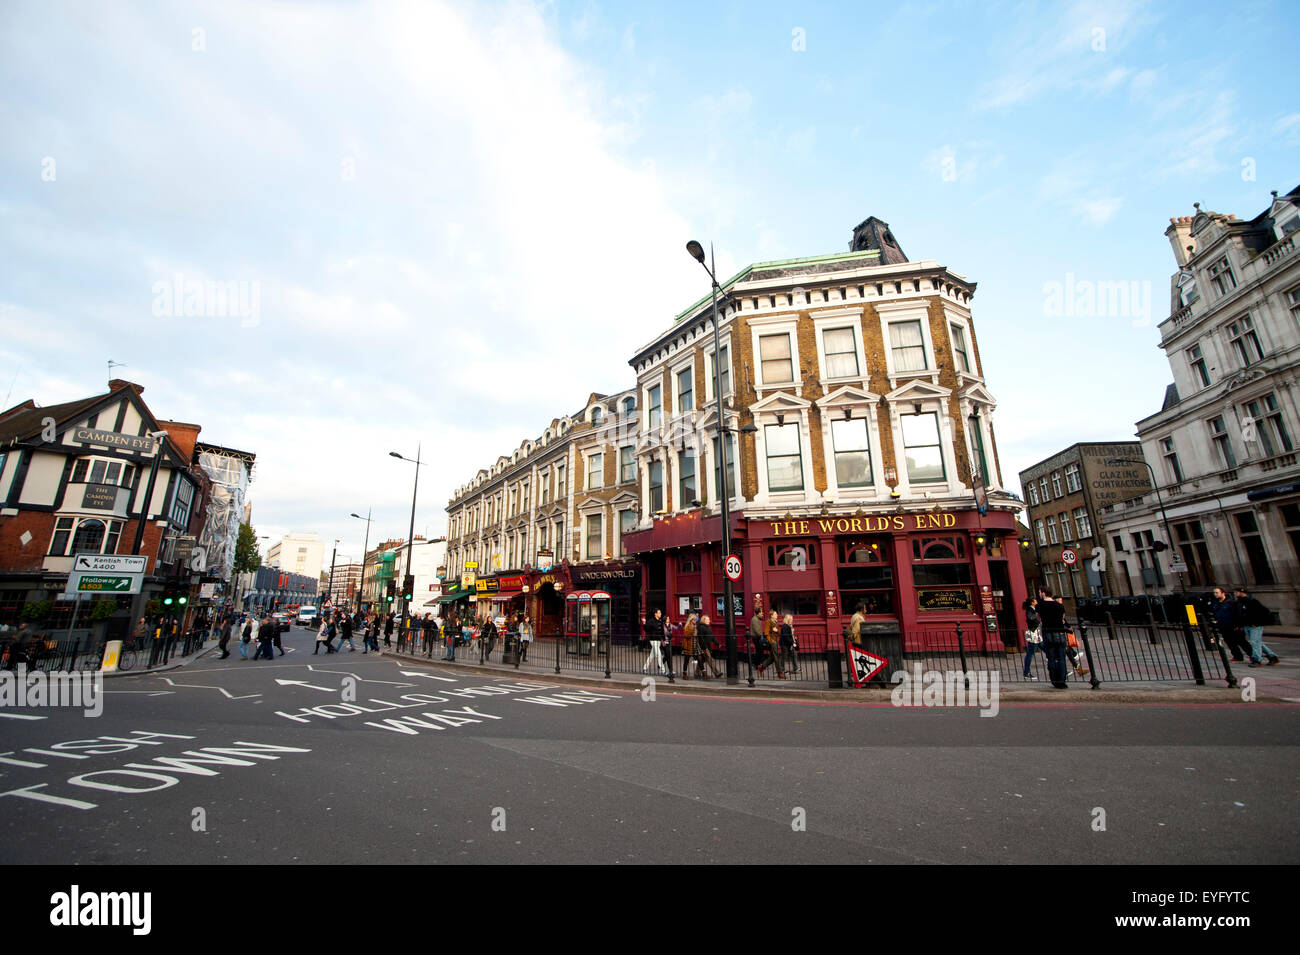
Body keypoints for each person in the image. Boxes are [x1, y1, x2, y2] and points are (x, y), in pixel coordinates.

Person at [1233, 587, 1281, 667]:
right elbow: (1239, 615)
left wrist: (1257, 622)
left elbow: (1264, 612)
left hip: (1255, 625)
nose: (1234, 593)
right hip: (1246, 625)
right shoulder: (1239, 602)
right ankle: (1272, 657)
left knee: (1254, 642)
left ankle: (1257, 660)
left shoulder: (1252, 601)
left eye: (1236, 592)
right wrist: (1239, 625)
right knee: (1257, 642)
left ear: (1242, 592)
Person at [1037, 590, 1070, 688]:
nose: (1039, 594)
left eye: (1039, 592)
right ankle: (1062, 681)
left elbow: (1039, 618)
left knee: (1051, 657)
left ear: (1043, 593)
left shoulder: (1040, 605)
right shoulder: (1059, 606)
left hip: (1048, 632)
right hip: (1059, 632)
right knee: (1061, 657)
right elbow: (1063, 618)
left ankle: (1055, 680)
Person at [1210, 587, 1249, 662]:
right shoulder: (1216, 603)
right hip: (1223, 626)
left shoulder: (1231, 602)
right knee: (1230, 642)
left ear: (1223, 593)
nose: (1215, 594)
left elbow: (1237, 614)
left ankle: (1251, 655)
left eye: (1217, 593)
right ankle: (1237, 656)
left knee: (1241, 641)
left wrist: (1238, 625)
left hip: (1233, 626)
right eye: (1214, 593)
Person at [1021, 597, 1043, 680]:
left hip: (1036, 633)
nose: (1036, 601)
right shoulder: (1030, 610)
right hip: (1033, 633)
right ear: (1032, 602)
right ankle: (1026, 672)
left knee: (1046, 650)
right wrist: (1038, 617)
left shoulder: (1032, 609)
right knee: (1030, 653)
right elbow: (1030, 618)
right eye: (1035, 600)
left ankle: (1056, 667)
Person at [696, 614, 722, 678]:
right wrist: (704, 647)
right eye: (707, 619)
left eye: (709, 619)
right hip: (704, 647)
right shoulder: (701, 627)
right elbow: (701, 638)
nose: (709, 620)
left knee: (702, 660)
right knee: (710, 660)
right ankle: (717, 673)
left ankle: (697, 672)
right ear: (704, 620)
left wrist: (717, 643)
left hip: (708, 646)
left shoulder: (708, 627)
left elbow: (712, 637)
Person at [643, 609, 668, 676]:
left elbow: (662, 632)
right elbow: (646, 629)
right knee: (659, 655)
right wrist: (644, 623)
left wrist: (664, 640)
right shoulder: (651, 621)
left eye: (660, 612)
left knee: (652, 655)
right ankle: (664, 671)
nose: (660, 614)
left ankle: (644, 668)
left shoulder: (660, 621)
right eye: (659, 613)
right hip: (653, 640)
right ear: (655, 614)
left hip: (659, 640)